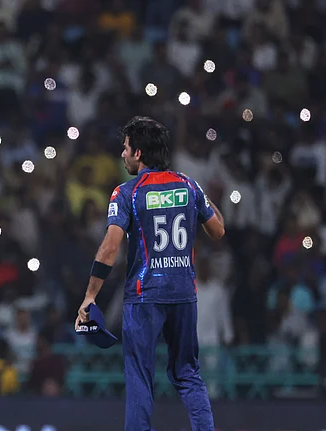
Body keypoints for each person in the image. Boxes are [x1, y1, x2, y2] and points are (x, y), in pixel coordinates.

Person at [74, 116, 225, 431]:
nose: (122, 154)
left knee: (140, 374)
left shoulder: (127, 193)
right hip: (184, 294)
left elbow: (109, 249)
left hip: (145, 296)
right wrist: (203, 195)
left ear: (139, 153)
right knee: (187, 373)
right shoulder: (189, 185)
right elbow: (218, 230)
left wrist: (90, 296)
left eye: (126, 148)